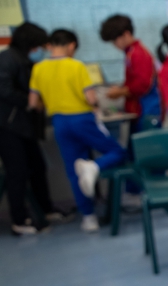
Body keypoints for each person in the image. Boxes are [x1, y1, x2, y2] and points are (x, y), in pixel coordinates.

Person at [29, 29, 127, 233]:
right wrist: (97, 105)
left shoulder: (38, 68)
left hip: (59, 122)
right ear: (71, 45)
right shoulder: (76, 66)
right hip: (82, 119)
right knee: (117, 151)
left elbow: (33, 103)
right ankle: (94, 166)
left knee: (74, 171)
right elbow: (90, 98)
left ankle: (88, 218)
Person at [0, 22, 71, 235]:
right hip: (7, 125)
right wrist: (31, 102)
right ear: (30, 45)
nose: (42, 50)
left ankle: (46, 209)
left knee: (38, 167)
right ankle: (19, 220)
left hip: (24, 125)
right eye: (39, 46)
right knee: (17, 171)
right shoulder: (7, 59)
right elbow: (4, 90)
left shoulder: (25, 60)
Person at [99, 14, 162, 132]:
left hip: (147, 110)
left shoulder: (138, 54)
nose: (114, 45)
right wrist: (120, 88)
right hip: (138, 109)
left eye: (115, 40)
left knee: (145, 143)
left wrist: (120, 92)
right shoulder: (130, 53)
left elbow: (143, 85)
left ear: (126, 34)